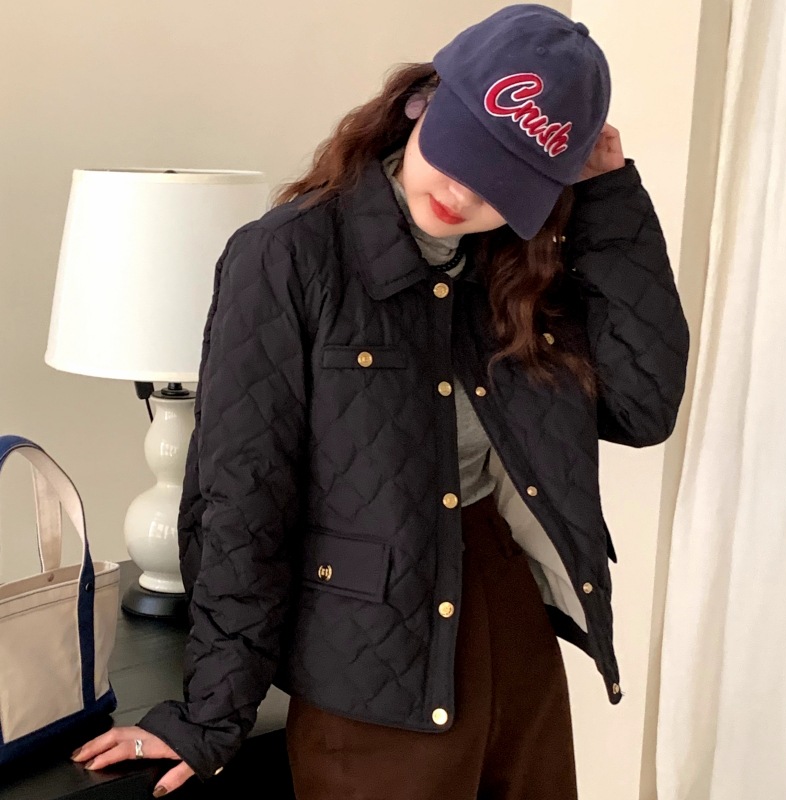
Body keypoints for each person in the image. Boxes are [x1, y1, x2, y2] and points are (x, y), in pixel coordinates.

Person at [71, 4, 690, 798]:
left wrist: (609, 199)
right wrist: (212, 712)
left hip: (513, 627)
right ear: (421, 103)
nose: (463, 191)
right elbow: (244, 495)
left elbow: (643, 406)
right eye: (463, 150)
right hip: (368, 656)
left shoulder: (518, 267)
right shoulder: (287, 255)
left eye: (504, 181)